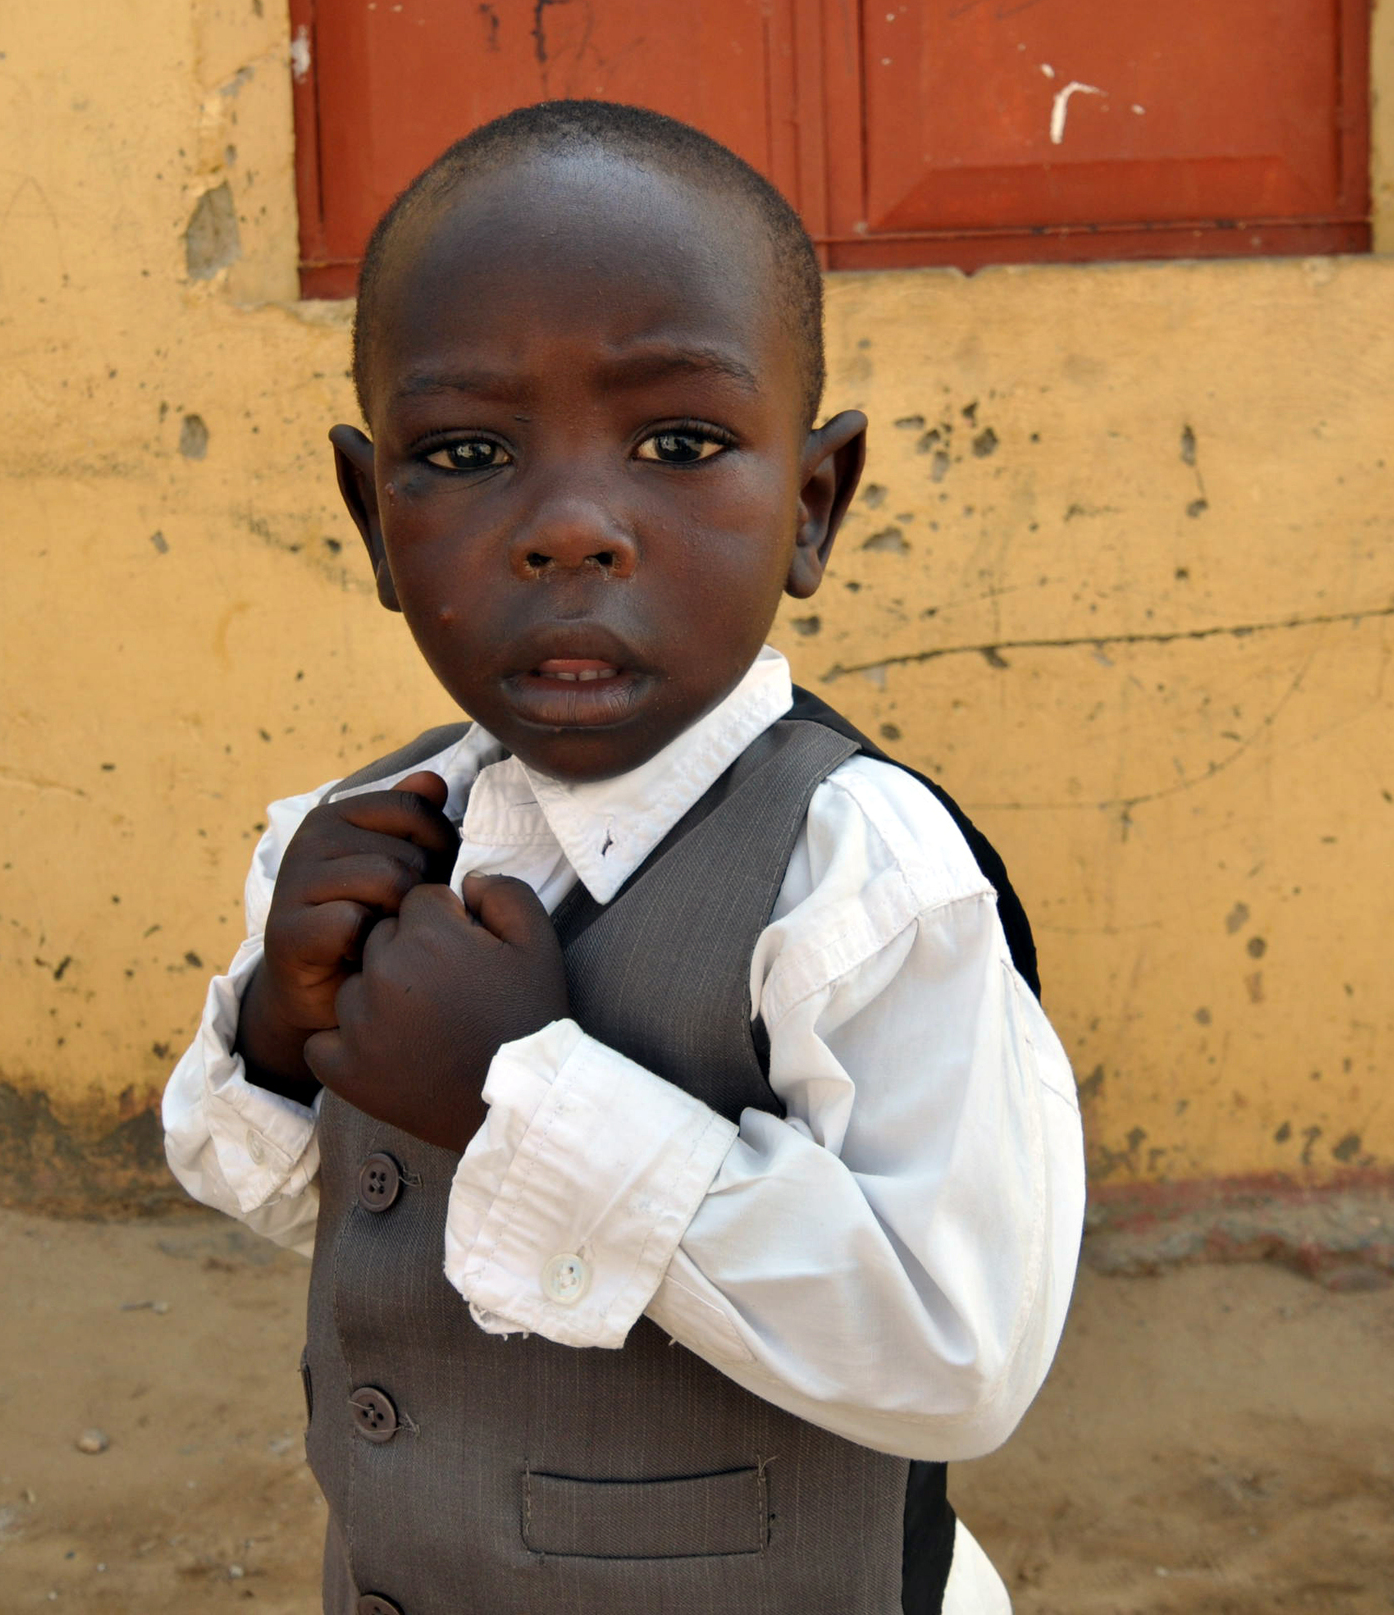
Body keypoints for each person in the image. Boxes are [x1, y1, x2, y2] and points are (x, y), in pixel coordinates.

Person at [163, 99, 1085, 1615]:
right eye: (465, 452)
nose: (572, 526)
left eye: (678, 441)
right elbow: (327, 1205)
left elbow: (958, 1351)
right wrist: (277, 1040)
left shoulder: (861, 880)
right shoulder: (368, 833)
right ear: (372, 515)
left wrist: (522, 1099)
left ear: (812, 502)